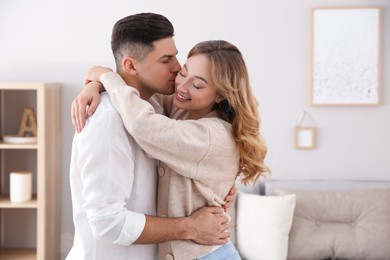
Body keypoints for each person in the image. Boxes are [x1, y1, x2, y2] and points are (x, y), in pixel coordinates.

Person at [77, 40, 269, 259]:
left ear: (220, 95)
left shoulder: (210, 136)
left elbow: (142, 124)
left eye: (197, 85)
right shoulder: (183, 110)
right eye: (183, 73)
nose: (182, 87)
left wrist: (106, 77)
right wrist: (96, 84)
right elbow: (138, 89)